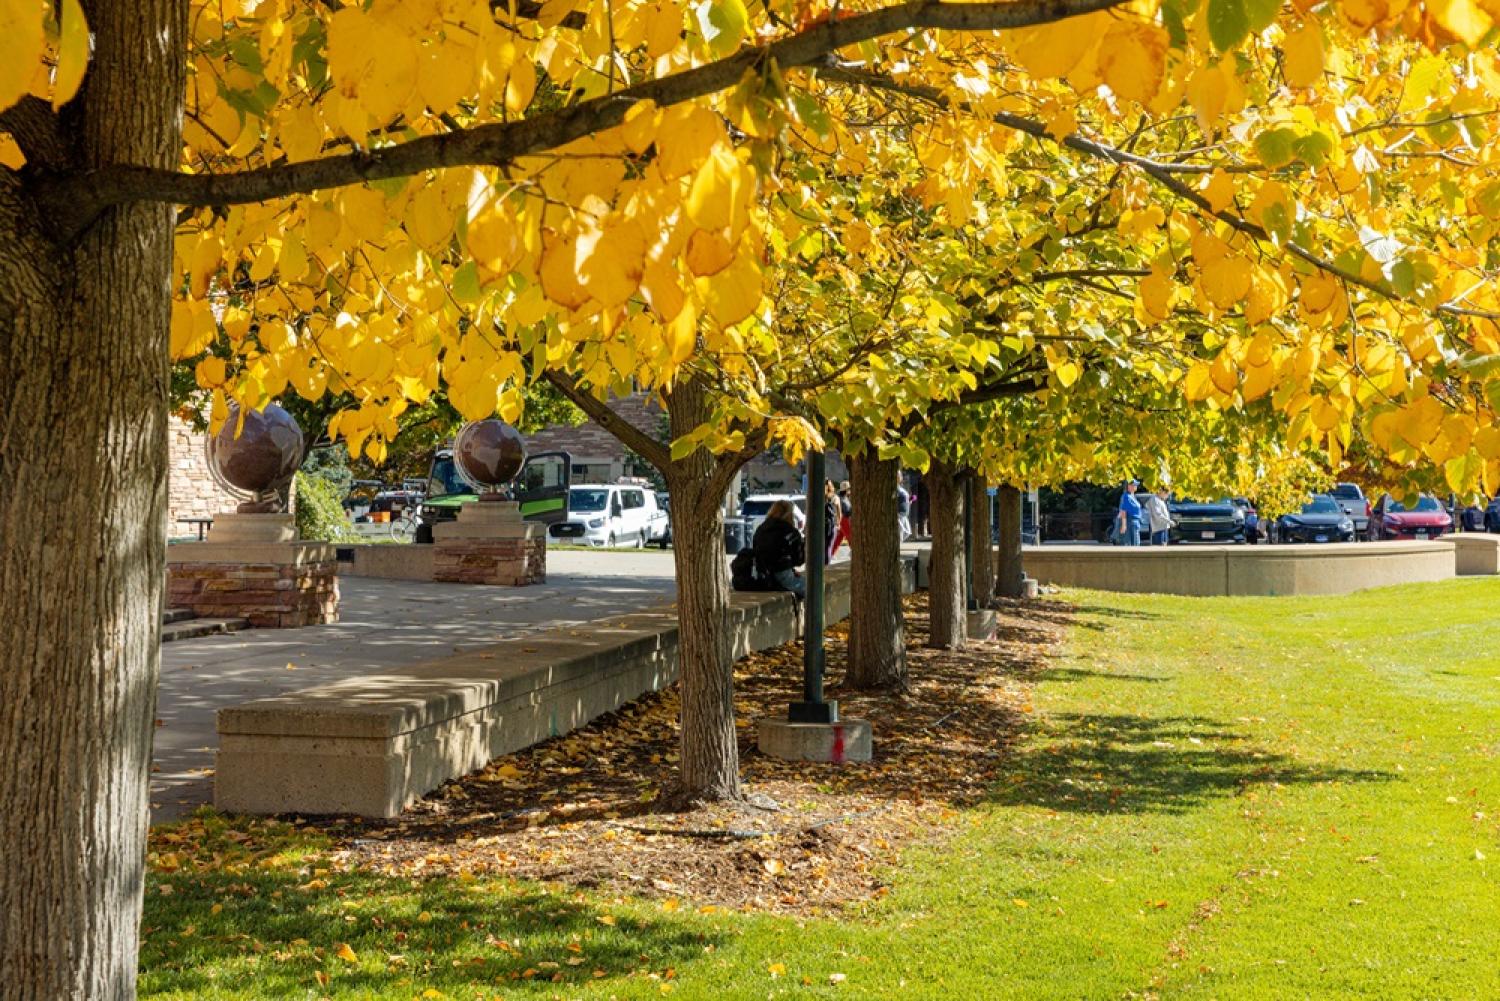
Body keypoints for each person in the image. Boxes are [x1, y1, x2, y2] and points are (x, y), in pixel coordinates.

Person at [751, 499, 805, 596]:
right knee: (813, 587)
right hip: (781, 575)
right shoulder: (790, 531)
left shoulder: (761, 529)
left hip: (761, 574)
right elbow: (798, 560)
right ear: (789, 514)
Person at [830, 480, 853, 556]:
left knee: (837, 540)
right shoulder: (839, 498)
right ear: (846, 490)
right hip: (844, 520)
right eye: (849, 489)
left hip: (843, 520)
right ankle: (855, 553)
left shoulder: (844, 498)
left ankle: (829, 555)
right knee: (851, 538)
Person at [1117, 479, 1142, 546]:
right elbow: (1123, 511)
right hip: (1130, 522)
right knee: (1131, 544)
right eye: (1134, 485)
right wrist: (1124, 525)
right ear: (1128, 486)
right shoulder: (1126, 496)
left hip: (1135, 523)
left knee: (1136, 543)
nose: (1135, 486)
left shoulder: (1132, 496)